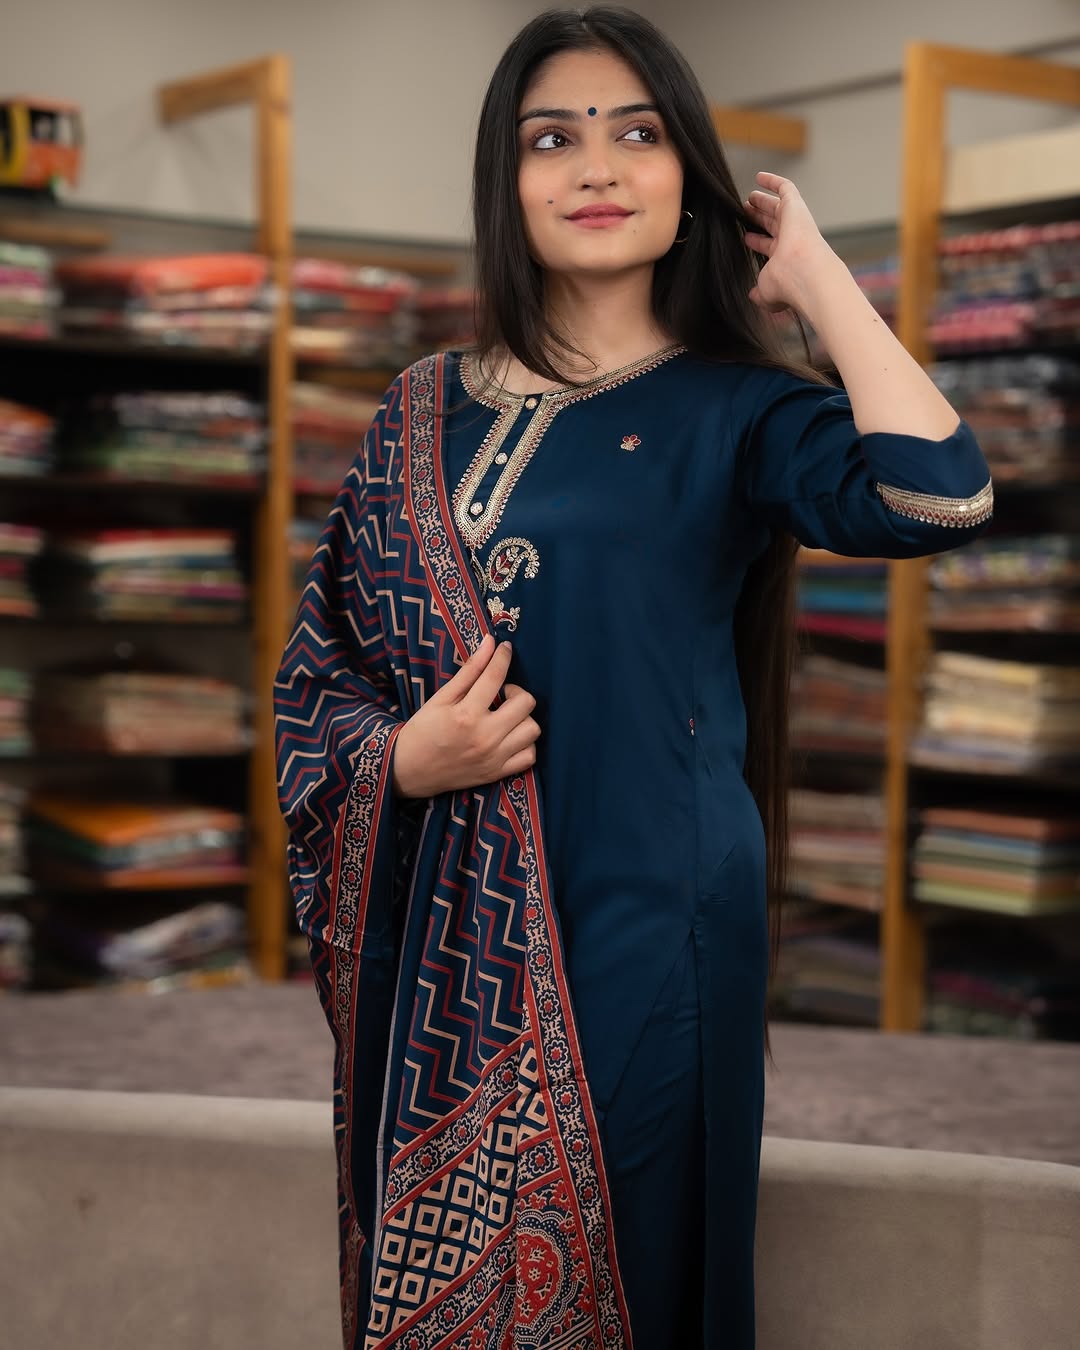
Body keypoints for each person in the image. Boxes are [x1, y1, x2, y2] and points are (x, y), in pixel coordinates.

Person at [274, 7, 993, 1347]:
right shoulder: (417, 407)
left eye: (637, 134)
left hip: (652, 912)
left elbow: (940, 495)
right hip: (445, 935)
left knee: (639, 1265)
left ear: (688, 173)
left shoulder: (738, 406)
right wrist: (402, 762)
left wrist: (825, 286)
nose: (596, 168)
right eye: (554, 139)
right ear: (508, 180)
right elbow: (319, 676)